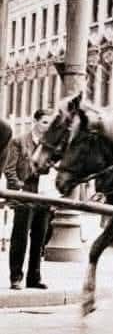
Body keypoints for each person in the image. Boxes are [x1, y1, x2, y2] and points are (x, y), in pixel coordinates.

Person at [5, 109, 54, 289]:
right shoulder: (19, 141)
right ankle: (16, 277)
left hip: (43, 194)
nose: (47, 127)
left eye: (50, 123)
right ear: (35, 122)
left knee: (39, 238)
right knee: (20, 237)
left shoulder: (48, 146)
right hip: (24, 192)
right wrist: (18, 187)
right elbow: (9, 169)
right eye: (44, 122)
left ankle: (34, 277)